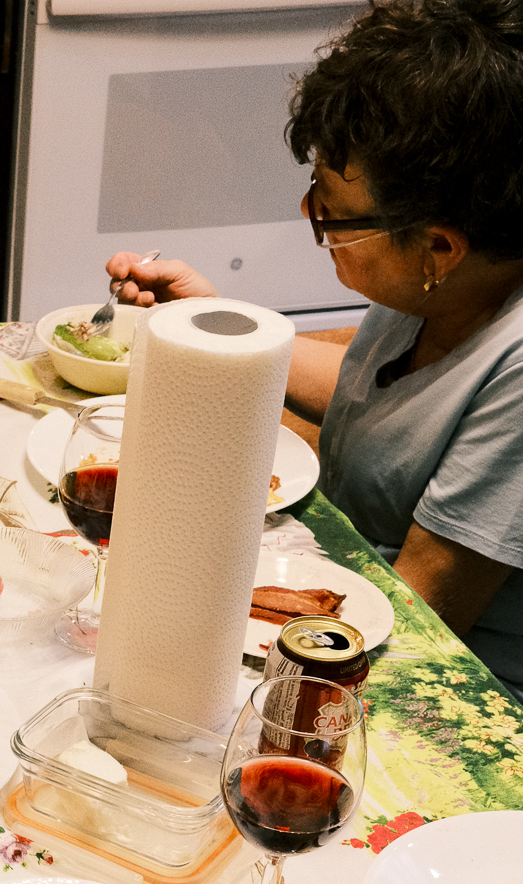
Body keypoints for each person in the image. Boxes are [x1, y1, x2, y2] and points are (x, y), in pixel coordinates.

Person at [105, 0, 523, 697]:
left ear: (439, 247)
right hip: (334, 600)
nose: (311, 214)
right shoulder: (438, 290)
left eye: (328, 206)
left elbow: (420, 614)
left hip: (421, 682)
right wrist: (216, 320)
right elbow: (384, 406)